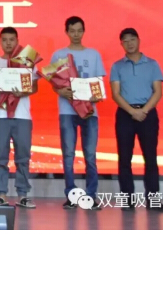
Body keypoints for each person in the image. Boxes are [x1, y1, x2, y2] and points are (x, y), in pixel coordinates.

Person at [110, 28, 163, 213]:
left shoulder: (152, 64)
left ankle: (153, 201)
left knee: (150, 158)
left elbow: (158, 92)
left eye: (132, 39)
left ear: (139, 40)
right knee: (124, 158)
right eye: (125, 41)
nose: (130, 44)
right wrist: (131, 111)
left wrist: (143, 110)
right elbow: (115, 94)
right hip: (125, 115)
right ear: (121, 44)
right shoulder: (117, 66)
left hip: (147, 114)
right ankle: (127, 200)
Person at [51, 16, 104, 210]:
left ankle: (90, 196)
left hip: (90, 112)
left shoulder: (94, 54)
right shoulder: (59, 55)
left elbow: (98, 83)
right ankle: (71, 195)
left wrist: (94, 98)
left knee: (90, 155)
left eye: (79, 30)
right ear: (66, 32)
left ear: (84, 31)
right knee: (68, 154)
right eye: (72, 31)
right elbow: (53, 82)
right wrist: (60, 91)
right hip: (67, 111)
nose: (76, 34)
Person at [0, 27, 38, 208]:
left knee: (23, 156)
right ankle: (1, 194)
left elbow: (35, 87)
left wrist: (22, 91)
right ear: (0, 42)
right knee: (0, 155)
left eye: (11, 39)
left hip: (22, 115)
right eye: (4, 40)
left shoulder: (27, 62)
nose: (8, 43)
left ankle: (22, 194)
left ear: (17, 41)